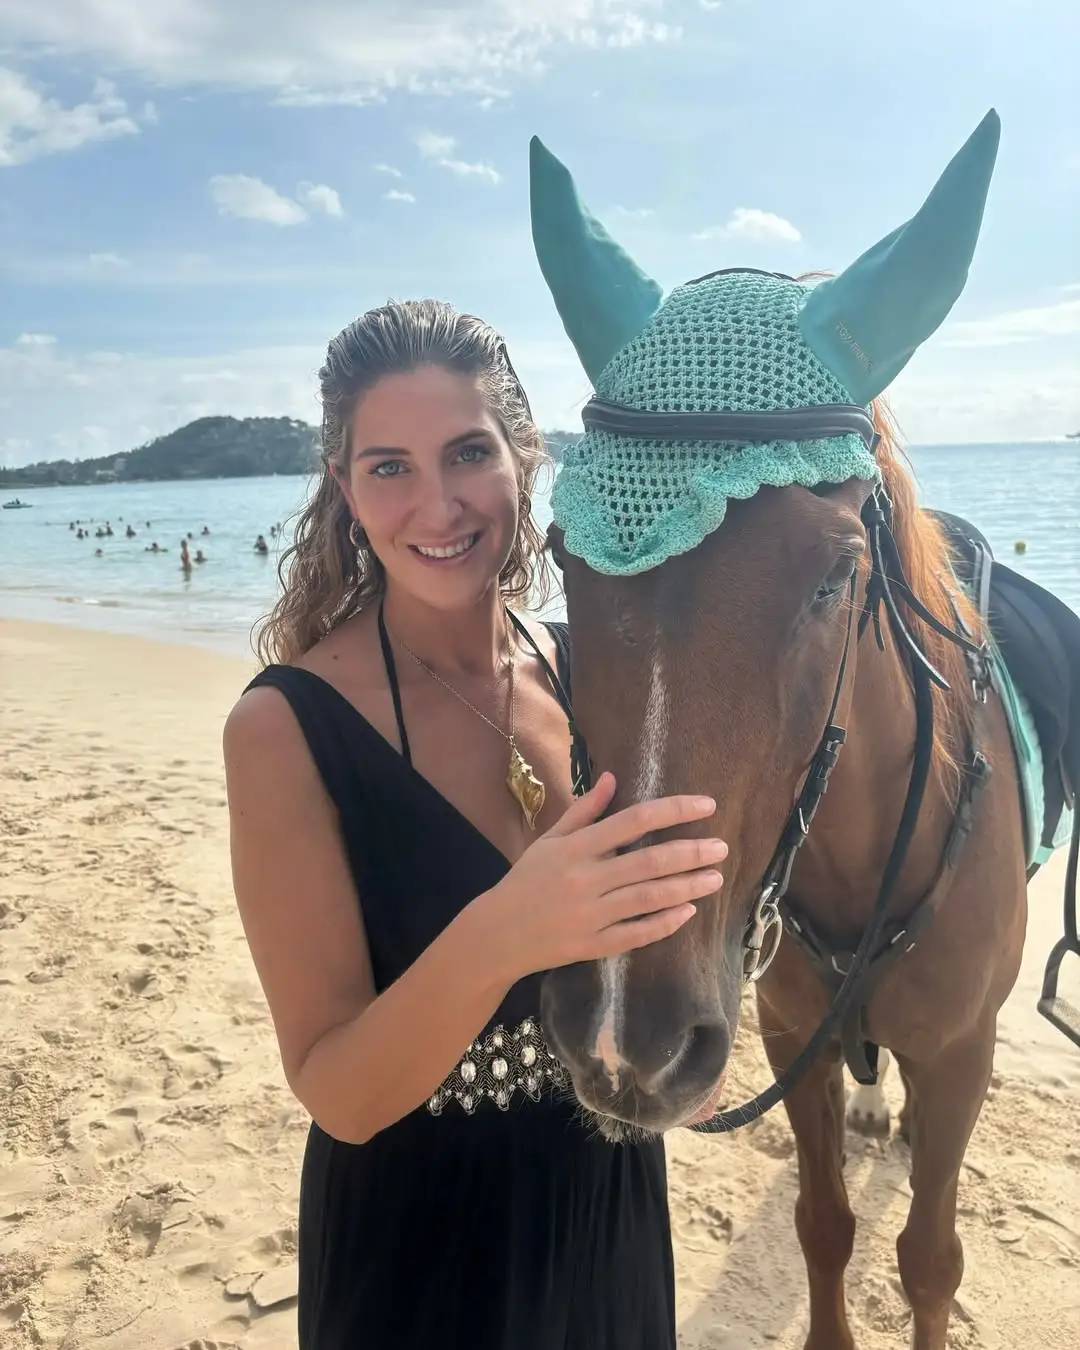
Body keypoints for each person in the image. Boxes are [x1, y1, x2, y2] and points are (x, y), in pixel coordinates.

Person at [222, 299, 728, 1350]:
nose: (438, 504)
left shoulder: (592, 670)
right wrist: (507, 930)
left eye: (467, 452)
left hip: (609, 1208)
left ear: (523, 457)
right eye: (389, 467)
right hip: (420, 1248)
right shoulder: (285, 727)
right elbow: (339, 1093)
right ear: (345, 490)